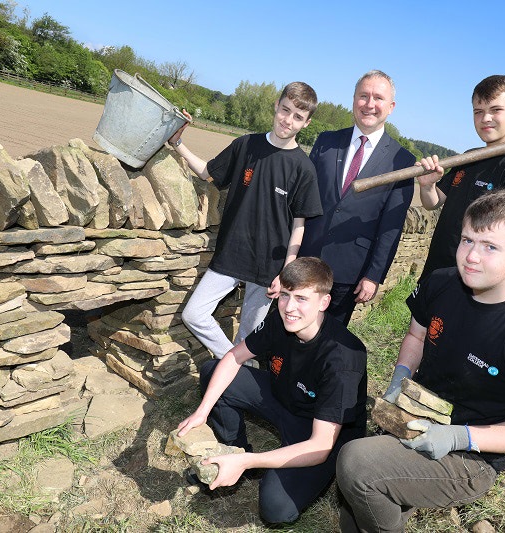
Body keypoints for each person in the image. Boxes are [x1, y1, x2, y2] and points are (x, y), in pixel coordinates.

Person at [336, 189, 505, 533]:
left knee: (356, 464)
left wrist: (456, 437)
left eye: (490, 246)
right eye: (467, 240)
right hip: (420, 414)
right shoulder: (441, 282)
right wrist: (399, 378)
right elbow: (416, 337)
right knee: (353, 504)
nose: (471, 257)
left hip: (472, 455)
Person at [176, 257, 367, 525]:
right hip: (283, 397)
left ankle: (247, 463)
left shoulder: (343, 358)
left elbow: (321, 445)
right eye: (285, 295)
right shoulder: (281, 319)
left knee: (276, 509)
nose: (289, 307)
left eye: (301, 298)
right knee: (212, 371)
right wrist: (202, 411)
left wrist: (253, 462)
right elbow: (233, 357)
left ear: (324, 302)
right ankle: (235, 451)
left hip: (320, 431)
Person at [167, 82, 323, 360]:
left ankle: (237, 381)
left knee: (249, 334)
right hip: (231, 254)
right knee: (194, 314)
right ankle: (234, 363)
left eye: (297, 116)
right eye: (285, 110)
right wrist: (178, 143)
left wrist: (287, 272)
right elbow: (207, 172)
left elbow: (299, 227)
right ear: (276, 105)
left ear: (307, 122)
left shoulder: (304, 168)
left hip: (268, 267)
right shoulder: (246, 145)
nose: (288, 120)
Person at [299, 70, 416, 325]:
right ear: (354, 99)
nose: (370, 104)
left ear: (391, 106)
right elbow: (302, 197)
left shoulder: (403, 161)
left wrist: (373, 275)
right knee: (288, 331)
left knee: (328, 343)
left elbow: (391, 227)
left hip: (349, 273)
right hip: (306, 259)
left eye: (378, 98)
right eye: (363, 96)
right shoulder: (326, 141)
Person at [417, 74, 505, 279]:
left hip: (477, 283)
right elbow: (433, 203)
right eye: (478, 111)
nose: (485, 118)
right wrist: (427, 186)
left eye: (496, 110)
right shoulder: (469, 157)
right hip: (435, 274)